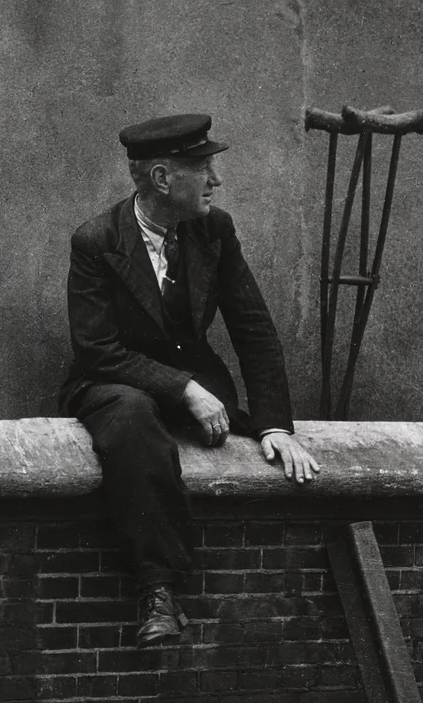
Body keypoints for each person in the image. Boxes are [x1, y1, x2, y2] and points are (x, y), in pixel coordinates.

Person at [60, 114, 319, 647]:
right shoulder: (95, 241)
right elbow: (97, 349)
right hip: (112, 380)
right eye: (203, 168)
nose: (215, 182)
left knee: (227, 426)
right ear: (161, 179)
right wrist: (183, 388)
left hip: (191, 384)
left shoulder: (213, 230)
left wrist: (274, 425)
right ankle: (157, 591)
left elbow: (253, 327)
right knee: (133, 420)